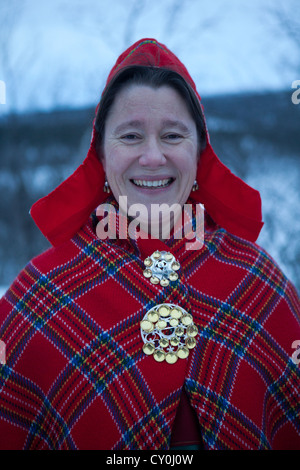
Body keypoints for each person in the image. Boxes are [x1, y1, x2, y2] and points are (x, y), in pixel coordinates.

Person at [0, 38, 299, 451]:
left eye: (173, 136)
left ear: (200, 154)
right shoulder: (38, 295)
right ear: (101, 155)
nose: (153, 157)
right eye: (131, 136)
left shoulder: (258, 281)